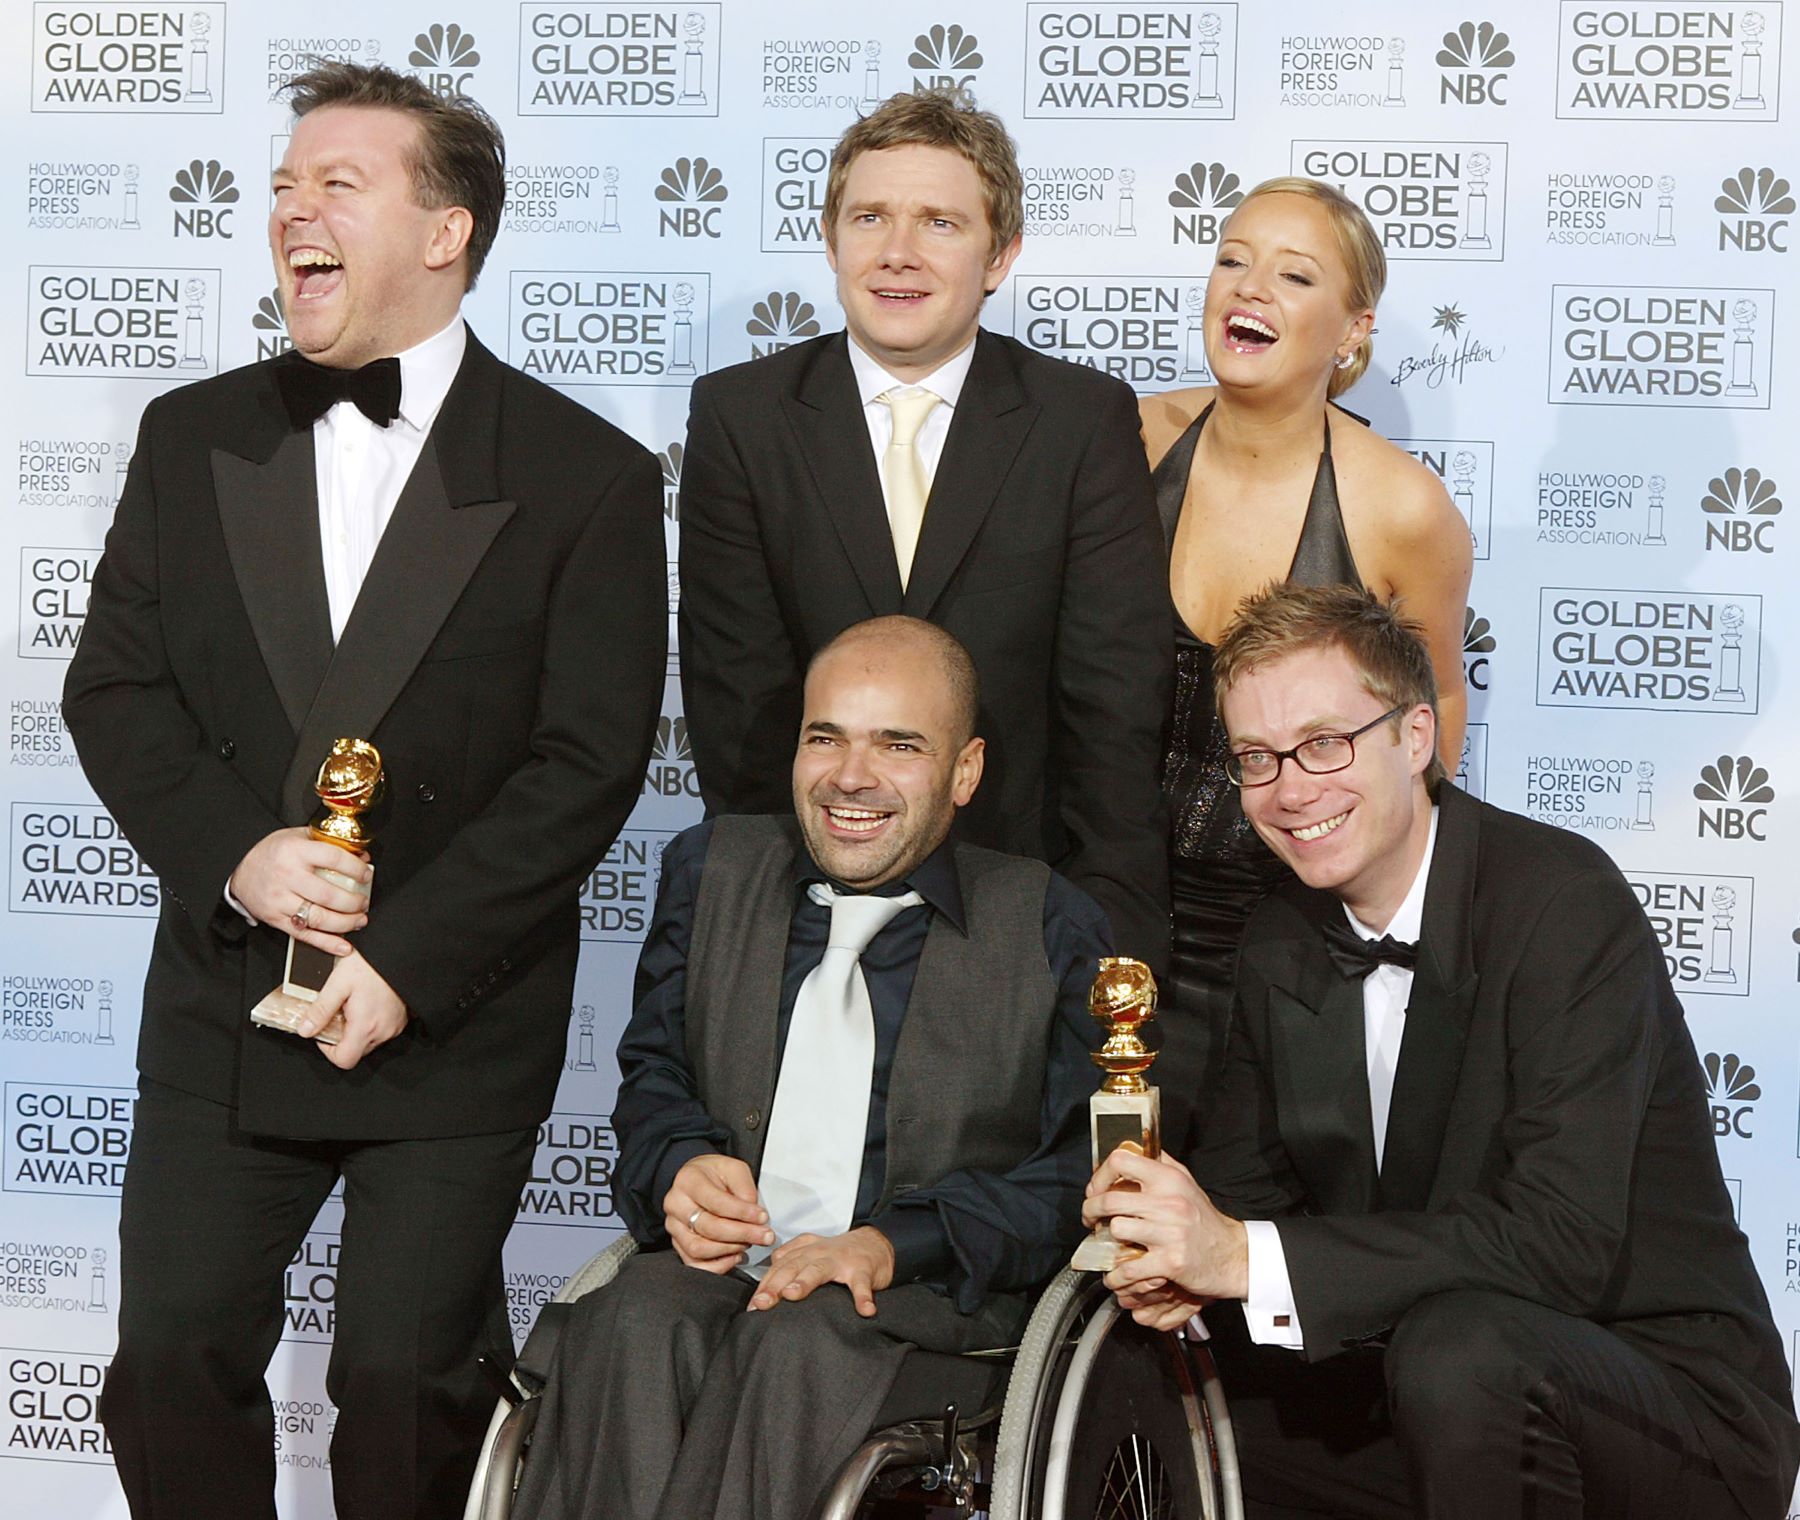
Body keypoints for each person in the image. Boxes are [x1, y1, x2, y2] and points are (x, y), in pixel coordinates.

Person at [62, 62, 666, 1520]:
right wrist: (240, 856)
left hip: (448, 1021)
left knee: (408, 1387)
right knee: (170, 1358)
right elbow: (115, 693)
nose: (290, 212)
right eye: (282, 186)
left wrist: (404, 962)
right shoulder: (195, 436)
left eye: (337, 183)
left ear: (445, 231)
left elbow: (586, 762)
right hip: (226, 1002)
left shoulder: (586, 473)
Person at [1085, 584, 1799, 1520]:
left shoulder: (1562, 904)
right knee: (1152, 1419)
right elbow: (1245, 1203)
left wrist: (1243, 1257)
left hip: (1668, 1409)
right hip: (1417, 1385)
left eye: (1324, 743)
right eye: (1257, 758)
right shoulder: (1280, 936)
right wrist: (1174, 1247)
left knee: (1460, 1353)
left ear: (1415, 737)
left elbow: (1562, 1245)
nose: (1290, 789)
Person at [512, 616, 1111, 1520]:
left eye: (898, 744)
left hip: (923, 1306)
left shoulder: (1050, 926)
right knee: (634, 1320)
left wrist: (887, 1244)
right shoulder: (709, 869)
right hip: (716, 1274)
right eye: (824, 736)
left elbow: (1076, 1175)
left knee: (799, 1345)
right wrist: (678, 1166)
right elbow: (652, 1080)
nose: (850, 776)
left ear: (966, 771)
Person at [677, 88, 1170, 978]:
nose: (897, 253)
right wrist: (775, 929)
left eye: (939, 222)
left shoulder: (1081, 420)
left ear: (1001, 254)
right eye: (870, 217)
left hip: (1022, 907)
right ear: (831, 241)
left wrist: (1108, 950)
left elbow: (1113, 711)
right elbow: (738, 708)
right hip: (802, 906)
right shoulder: (740, 417)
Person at [1141, 177, 1473, 1131]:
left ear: (1353, 329)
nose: (1250, 289)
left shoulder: (1402, 509)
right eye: (1232, 260)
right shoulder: (1126, 439)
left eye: (1294, 274)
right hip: (1113, 910)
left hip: (1292, 924)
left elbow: (1433, 712)